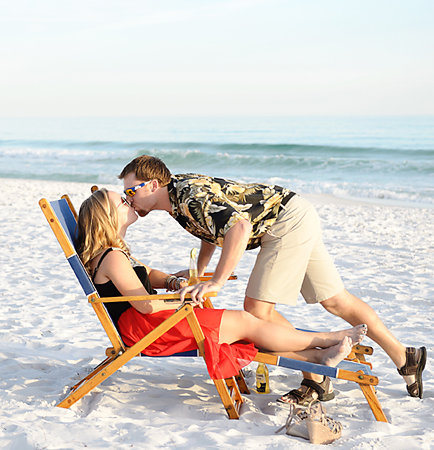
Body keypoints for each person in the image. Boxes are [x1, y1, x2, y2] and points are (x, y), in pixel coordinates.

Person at [118, 156, 426, 402]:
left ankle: (315, 376)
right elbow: (211, 231)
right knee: (335, 300)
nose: (128, 199)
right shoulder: (178, 197)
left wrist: (217, 282)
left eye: (131, 191)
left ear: (153, 184)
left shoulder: (188, 197)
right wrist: (200, 271)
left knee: (255, 311)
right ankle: (404, 356)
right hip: (296, 211)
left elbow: (238, 228)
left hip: (283, 222)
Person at [76, 187, 367, 383]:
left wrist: (170, 280)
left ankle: (318, 358)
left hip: (151, 321)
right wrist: (182, 297)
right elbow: (145, 303)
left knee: (242, 328)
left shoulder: (116, 252)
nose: (130, 203)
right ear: (107, 217)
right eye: (122, 202)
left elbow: (145, 273)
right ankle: (327, 338)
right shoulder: (112, 256)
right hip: (147, 326)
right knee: (245, 321)